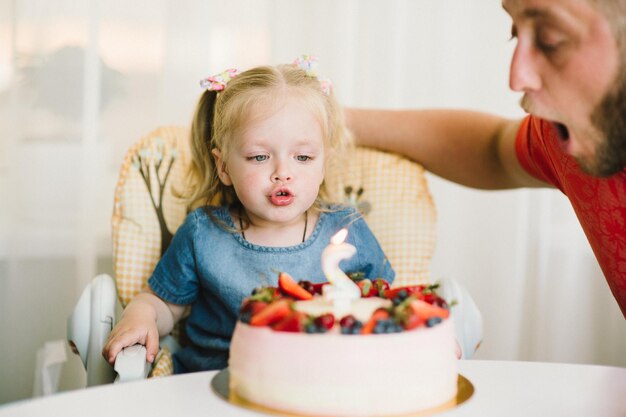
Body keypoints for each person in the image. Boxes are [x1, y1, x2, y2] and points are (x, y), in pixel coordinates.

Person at [103, 57, 395, 373]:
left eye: (303, 157)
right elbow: (163, 304)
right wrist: (142, 315)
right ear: (224, 166)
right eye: (259, 156)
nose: (283, 173)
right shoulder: (203, 234)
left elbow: (387, 306)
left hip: (324, 381)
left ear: (324, 163)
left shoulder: (347, 228)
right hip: (216, 384)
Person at [347, 0, 626, 318]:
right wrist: (325, 119)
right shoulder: (576, 137)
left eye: (550, 39)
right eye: (514, 33)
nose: (516, 78)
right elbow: (493, 150)